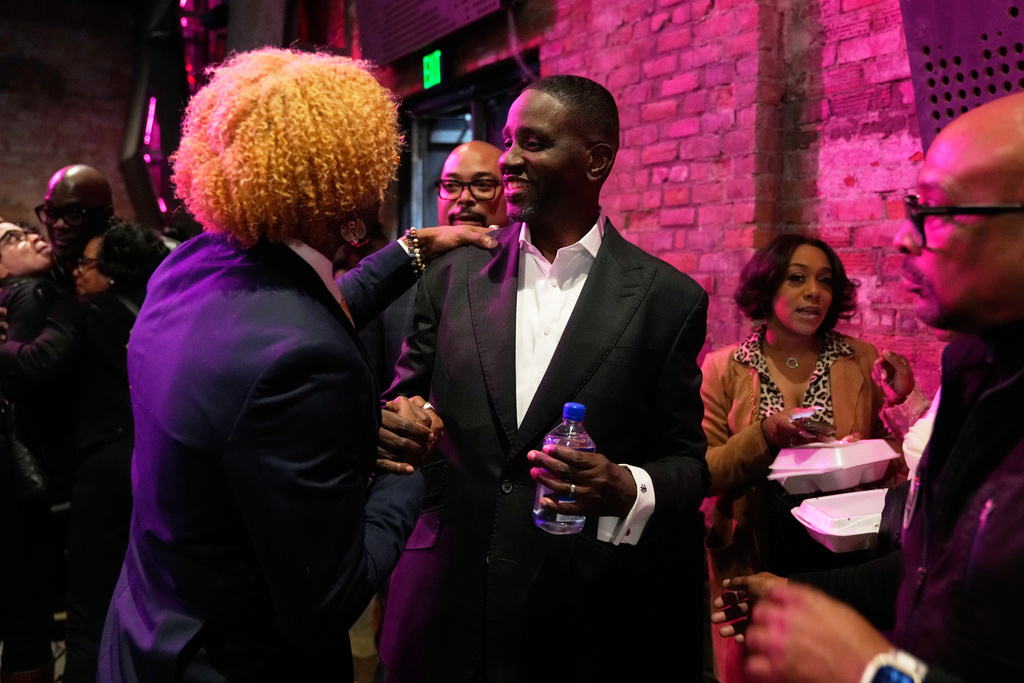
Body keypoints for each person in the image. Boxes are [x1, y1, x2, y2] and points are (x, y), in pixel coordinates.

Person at [96, 48, 494, 682]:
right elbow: (328, 599)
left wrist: (410, 251)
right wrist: (405, 471)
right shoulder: (307, 362)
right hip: (236, 662)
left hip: (146, 634)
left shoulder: (188, 267)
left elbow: (294, 303)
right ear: (351, 199)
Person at [379, 75, 711, 683]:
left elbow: (687, 464)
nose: (508, 158)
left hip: (577, 618)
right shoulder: (453, 271)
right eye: (509, 140)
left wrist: (622, 485)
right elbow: (407, 397)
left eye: (533, 142)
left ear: (595, 160)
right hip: (441, 604)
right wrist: (399, 425)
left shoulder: (667, 299)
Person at [718, 91, 1024, 683]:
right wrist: (795, 594)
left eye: (937, 212)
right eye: (796, 280)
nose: (905, 240)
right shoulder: (974, 373)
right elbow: (929, 570)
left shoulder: (861, 359)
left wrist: (872, 671)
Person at [699, 234, 895, 681]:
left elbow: (894, 459)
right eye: (797, 278)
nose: (815, 292)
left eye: (825, 281)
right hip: (757, 551)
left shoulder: (860, 359)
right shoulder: (724, 367)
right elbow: (704, 473)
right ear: (766, 288)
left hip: (844, 553)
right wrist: (764, 436)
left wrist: (900, 409)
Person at [62, 221, 170, 683]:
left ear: (108, 272)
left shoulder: (85, 315)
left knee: (89, 605)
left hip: (102, 462)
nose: (78, 271)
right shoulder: (163, 315)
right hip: (155, 463)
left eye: (88, 263)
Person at [0, 220, 68, 683]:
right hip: (16, 480)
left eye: (24, 229)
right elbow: (33, 374)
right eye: (12, 239)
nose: (31, 237)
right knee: (28, 619)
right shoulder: (33, 294)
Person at [35, 164, 116, 285]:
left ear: (106, 215)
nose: (59, 225)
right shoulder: (42, 272)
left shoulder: (134, 270)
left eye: (73, 214)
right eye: (51, 212)